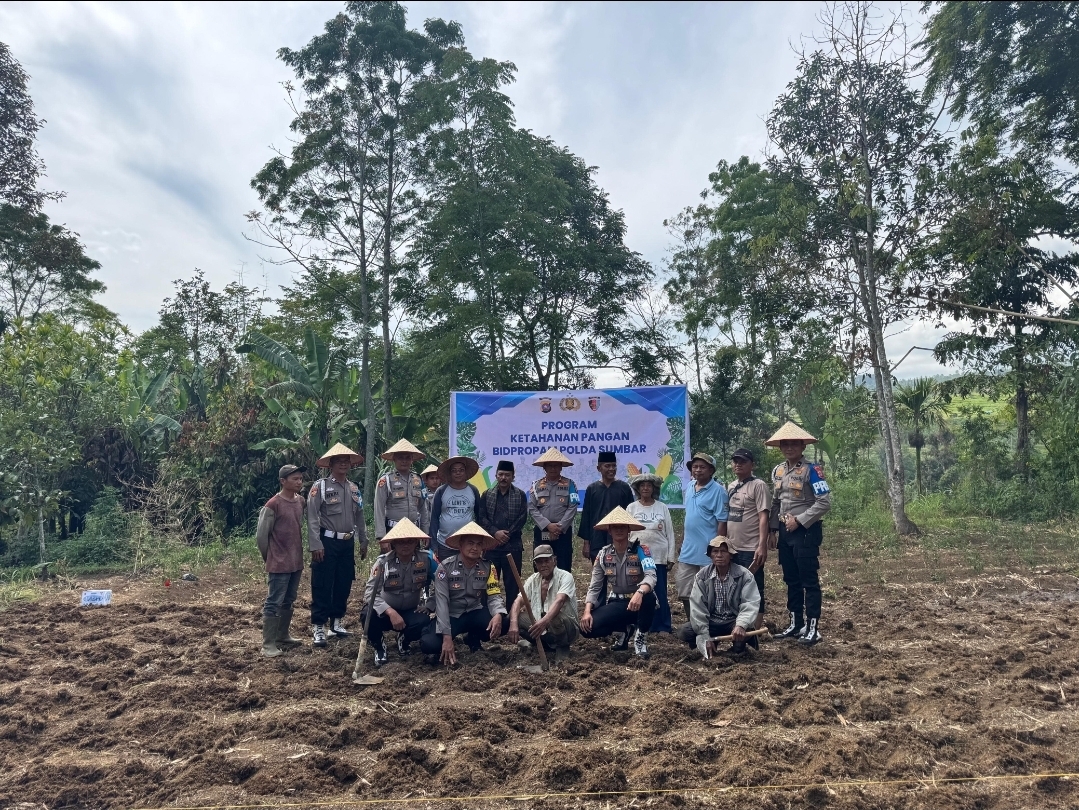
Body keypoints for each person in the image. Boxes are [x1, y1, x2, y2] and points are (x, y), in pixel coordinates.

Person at [767, 422, 831, 646]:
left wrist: (801, 520)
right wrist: (773, 529)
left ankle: (813, 628)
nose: (789, 447)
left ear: (803, 446)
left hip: (806, 532)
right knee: (791, 580)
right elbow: (775, 502)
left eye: (794, 443)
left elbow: (824, 502)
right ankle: (795, 624)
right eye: (785, 443)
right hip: (784, 533)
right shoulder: (778, 470)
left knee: (809, 580)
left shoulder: (812, 470)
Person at [420, 522, 507, 666]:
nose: (475, 548)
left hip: (474, 611)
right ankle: (434, 632)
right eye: (470, 543)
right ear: (460, 545)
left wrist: (498, 614)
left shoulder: (488, 567)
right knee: (429, 645)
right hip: (452, 615)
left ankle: (472, 637)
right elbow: (441, 603)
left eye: (479, 544)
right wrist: (447, 638)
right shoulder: (445, 567)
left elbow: (494, 595)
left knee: (503, 623)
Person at [307, 443, 368, 647]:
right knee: (323, 583)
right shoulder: (321, 486)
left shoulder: (353, 488)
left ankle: (336, 622)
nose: (343, 464)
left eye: (346, 461)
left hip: (347, 542)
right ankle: (319, 627)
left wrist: (363, 541)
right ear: (331, 464)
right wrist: (316, 544)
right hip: (327, 542)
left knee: (344, 582)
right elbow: (313, 517)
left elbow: (359, 516)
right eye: (338, 461)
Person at [580, 506, 657, 659]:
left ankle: (640, 638)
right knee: (587, 628)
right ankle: (622, 632)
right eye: (615, 527)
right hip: (618, 602)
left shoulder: (641, 550)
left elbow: (651, 575)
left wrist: (640, 592)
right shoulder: (603, 554)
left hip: (640, 602)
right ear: (609, 530)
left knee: (649, 597)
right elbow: (595, 585)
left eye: (623, 527)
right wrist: (587, 611)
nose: (619, 530)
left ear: (629, 530)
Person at [361, 518, 438, 666]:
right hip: (385, 612)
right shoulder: (382, 562)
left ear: (416, 542)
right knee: (367, 614)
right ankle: (379, 647)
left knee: (424, 620)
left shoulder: (427, 559)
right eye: (401, 541)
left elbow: (443, 584)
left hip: (411, 610)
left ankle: (404, 639)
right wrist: (390, 612)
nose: (405, 545)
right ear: (393, 543)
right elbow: (369, 594)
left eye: (410, 541)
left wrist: (430, 605)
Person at [256, 464, 307, 658]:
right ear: (282, 481)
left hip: (295, 560)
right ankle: (268, 644)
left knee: (289, 599)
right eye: (295, 479)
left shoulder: (300, 501)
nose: (299, 482)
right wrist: (270, 558)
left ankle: (282, 635)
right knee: (274, 601)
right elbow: (262, 537)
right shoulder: (273, 505)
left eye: (300, 479)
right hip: (279, 561)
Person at [678, 537, 761, 657]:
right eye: (715, 552)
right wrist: (704, 634)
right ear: (710, 555)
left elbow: (750, 603)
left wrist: (741, 625)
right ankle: (708, 643)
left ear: (731, 555)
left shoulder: (744, 576)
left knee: (745, 633)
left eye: (723, 551)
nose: (719, 555)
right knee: (684, 631)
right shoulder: (702, 576)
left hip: (733, 621)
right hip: (712, 621)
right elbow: (698, 607)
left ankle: (739, 648)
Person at [676, 452, 729, 623]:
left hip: (707, 553)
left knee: (708, 592)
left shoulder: (719, 491)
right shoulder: (690, 487)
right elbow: (689, 518)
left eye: (702, 467)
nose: (697, 470)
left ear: (711, 470)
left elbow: (722, 522)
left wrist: (719, 550)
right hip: (688, 550)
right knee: (685, 591)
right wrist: (683, 541)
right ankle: (693, 626)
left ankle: (708, 627)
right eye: (695, 467)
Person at [725, 449, 772, 630]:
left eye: (743, 461)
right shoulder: (730, 486)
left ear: (752, 465)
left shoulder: (758, 485)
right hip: (733, 546)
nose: (738, 464)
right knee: (735, 587)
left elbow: (763, 517)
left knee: (754, 588)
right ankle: (740, 624)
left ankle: (755, 629)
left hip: (751, 547)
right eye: (735, 461)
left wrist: (762, 545)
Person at [507, 544, 579, 662]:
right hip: (544, 627)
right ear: (536, 565)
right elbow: (518, 601)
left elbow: (560, 600)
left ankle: (562, 648)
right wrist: (513, 623)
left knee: (554, 617)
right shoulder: (533, 579)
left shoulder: (566, 576)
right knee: (515, 616)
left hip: (567, 628)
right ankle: (544, 644)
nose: (544, 565)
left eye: (547, 561)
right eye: (540, 562)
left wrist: (543, 622)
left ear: (554, 561)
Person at [627, 473, 676, 634]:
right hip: (637, 557)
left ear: (654, 488)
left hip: (658, 557)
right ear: (638, 489)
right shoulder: (632, 508)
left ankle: (662, 625)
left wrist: (670, 556)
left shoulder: (662, 507)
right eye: (642, 485)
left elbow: (670, 533)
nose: (646, 488)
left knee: (659, 591)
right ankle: (640, 625)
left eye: (649, 485)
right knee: (639, 591)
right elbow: (627, 533)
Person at [477, 460, 528, 609]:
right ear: (496, 476)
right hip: (491, 547)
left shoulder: (520, 495)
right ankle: (489, 615)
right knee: (490, 582)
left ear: (513, 476)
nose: (504, 478)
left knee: (512, 584)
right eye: (501, 474)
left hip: (513, 546)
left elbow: (522, 518)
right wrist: (495, 533)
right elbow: (481, 517)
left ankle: (511, 616)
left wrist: (506, 535)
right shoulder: (487, 495)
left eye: (507, 475)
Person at [526, 448, 579, 573]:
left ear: (561, 467)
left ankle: (562, 592)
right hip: (542, 531)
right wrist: (548, 525)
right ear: (544, 467)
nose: (553, 468)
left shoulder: (570, 484)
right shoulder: (536, 485)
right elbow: (532, 508)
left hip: (563, 532)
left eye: (556, 465)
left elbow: (573, 506)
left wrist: (559, 527)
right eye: (550, 465)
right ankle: (542, 592)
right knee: (541, 566)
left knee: (564, 566)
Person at [374, 439, 429, 553]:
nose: (404, 461)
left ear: (412, 459)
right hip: (393, 531)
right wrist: (382, 537)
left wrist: (425, 532)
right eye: (400, 458)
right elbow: (378, 508)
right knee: (391, 567)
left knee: (415, 566)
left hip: (413, 531)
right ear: (394, 459)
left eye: (407, 458)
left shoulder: (418, 480)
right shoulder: (386, 480)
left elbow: (423, 508)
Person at [578, 451, 634, 564]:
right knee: (599, 575)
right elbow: (586, 516)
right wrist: (586, 543)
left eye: (614, 465)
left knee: (619, 575)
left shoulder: (624, 488)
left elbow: (630, 515)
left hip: (619, 537)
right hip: (597, 538)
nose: (611, 469)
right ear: (599, 468)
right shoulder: (592, 489)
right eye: (607, 466)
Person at [428, 456, 481, 561]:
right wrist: (433, 544)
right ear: (450, 473)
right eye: (454, 471)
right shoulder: (441, 491)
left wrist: (479, 541)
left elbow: (479, 516)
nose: (458, 473)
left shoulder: (473, 490)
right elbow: (434, 518)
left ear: (465, 472)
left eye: (461, 470)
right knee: (445, 574)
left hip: (468, 543)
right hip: (444, 543)